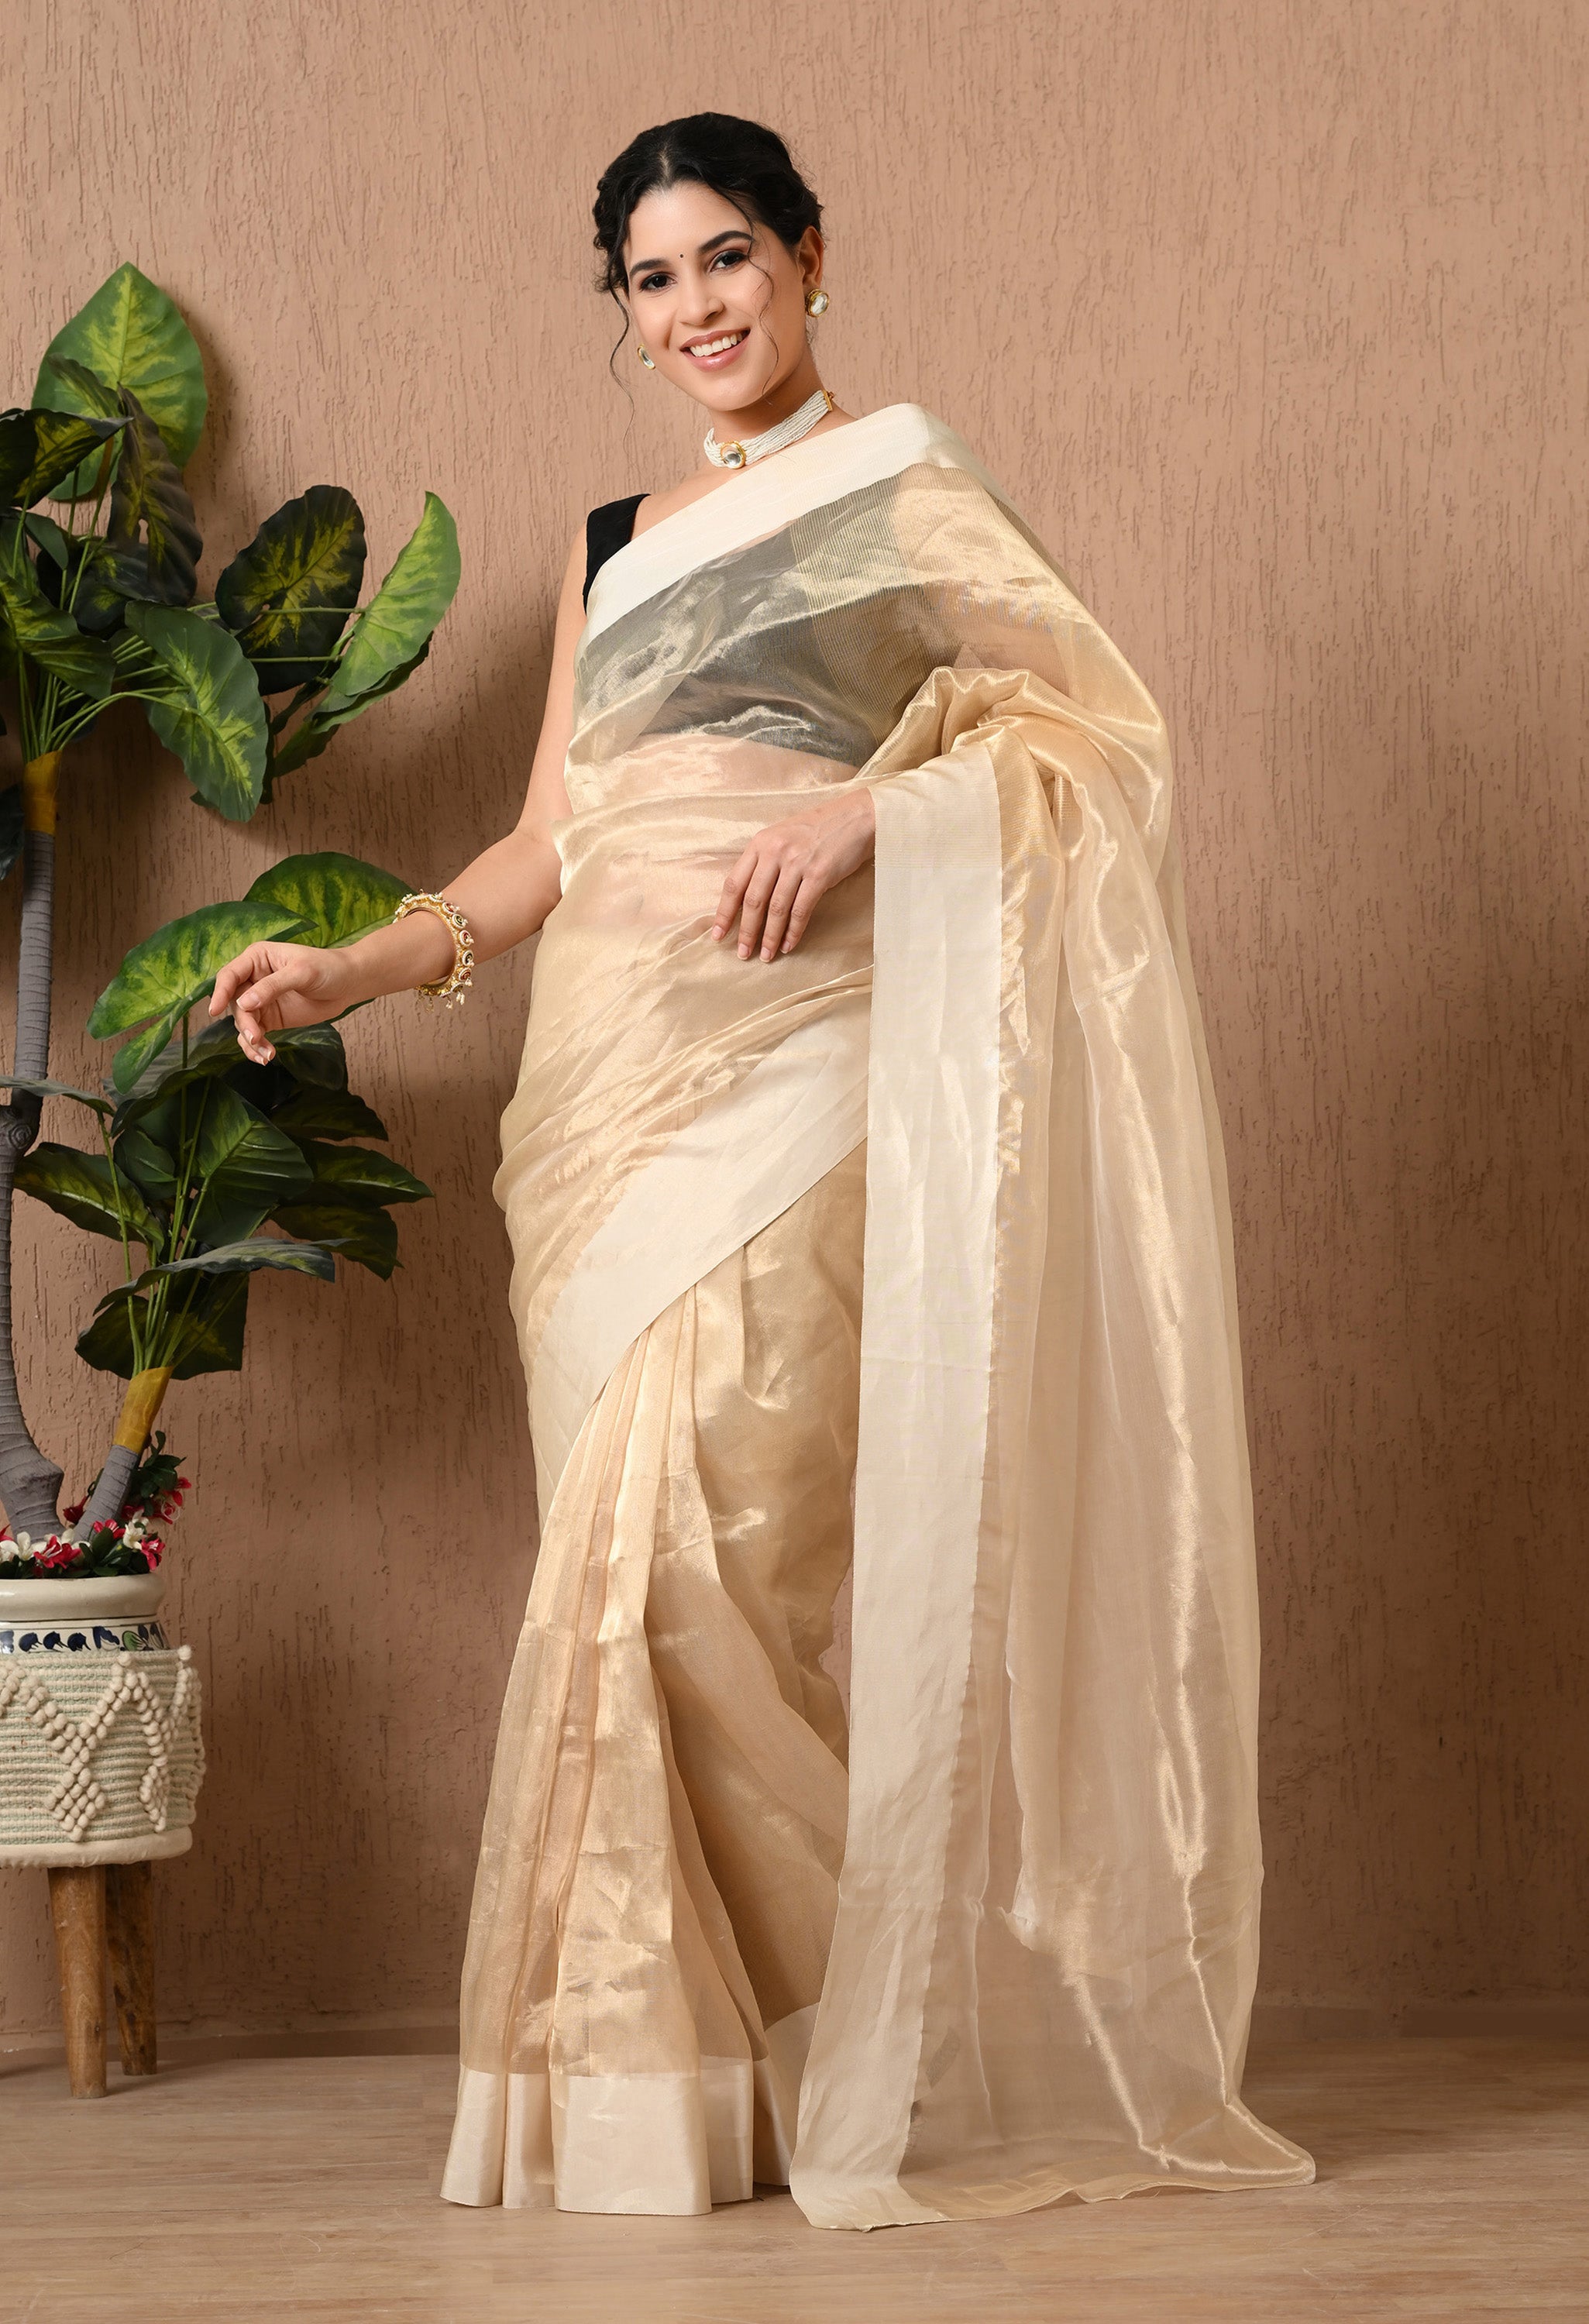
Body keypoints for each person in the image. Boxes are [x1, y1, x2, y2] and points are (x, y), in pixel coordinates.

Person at [209, 113, 1315, 2230]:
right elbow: (552, 836)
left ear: (809, 259)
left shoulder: (900, 489)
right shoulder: (616, 537)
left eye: (730, 258)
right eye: (653, 278)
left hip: (792, 1081)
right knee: (604, 1573)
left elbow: (1088, 735)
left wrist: (867, 822)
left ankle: (769, 2049)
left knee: (713, 1556)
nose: (699, 305)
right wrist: (358, 958)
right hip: (593, 1101)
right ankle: (647, 2095)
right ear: (622, 317)